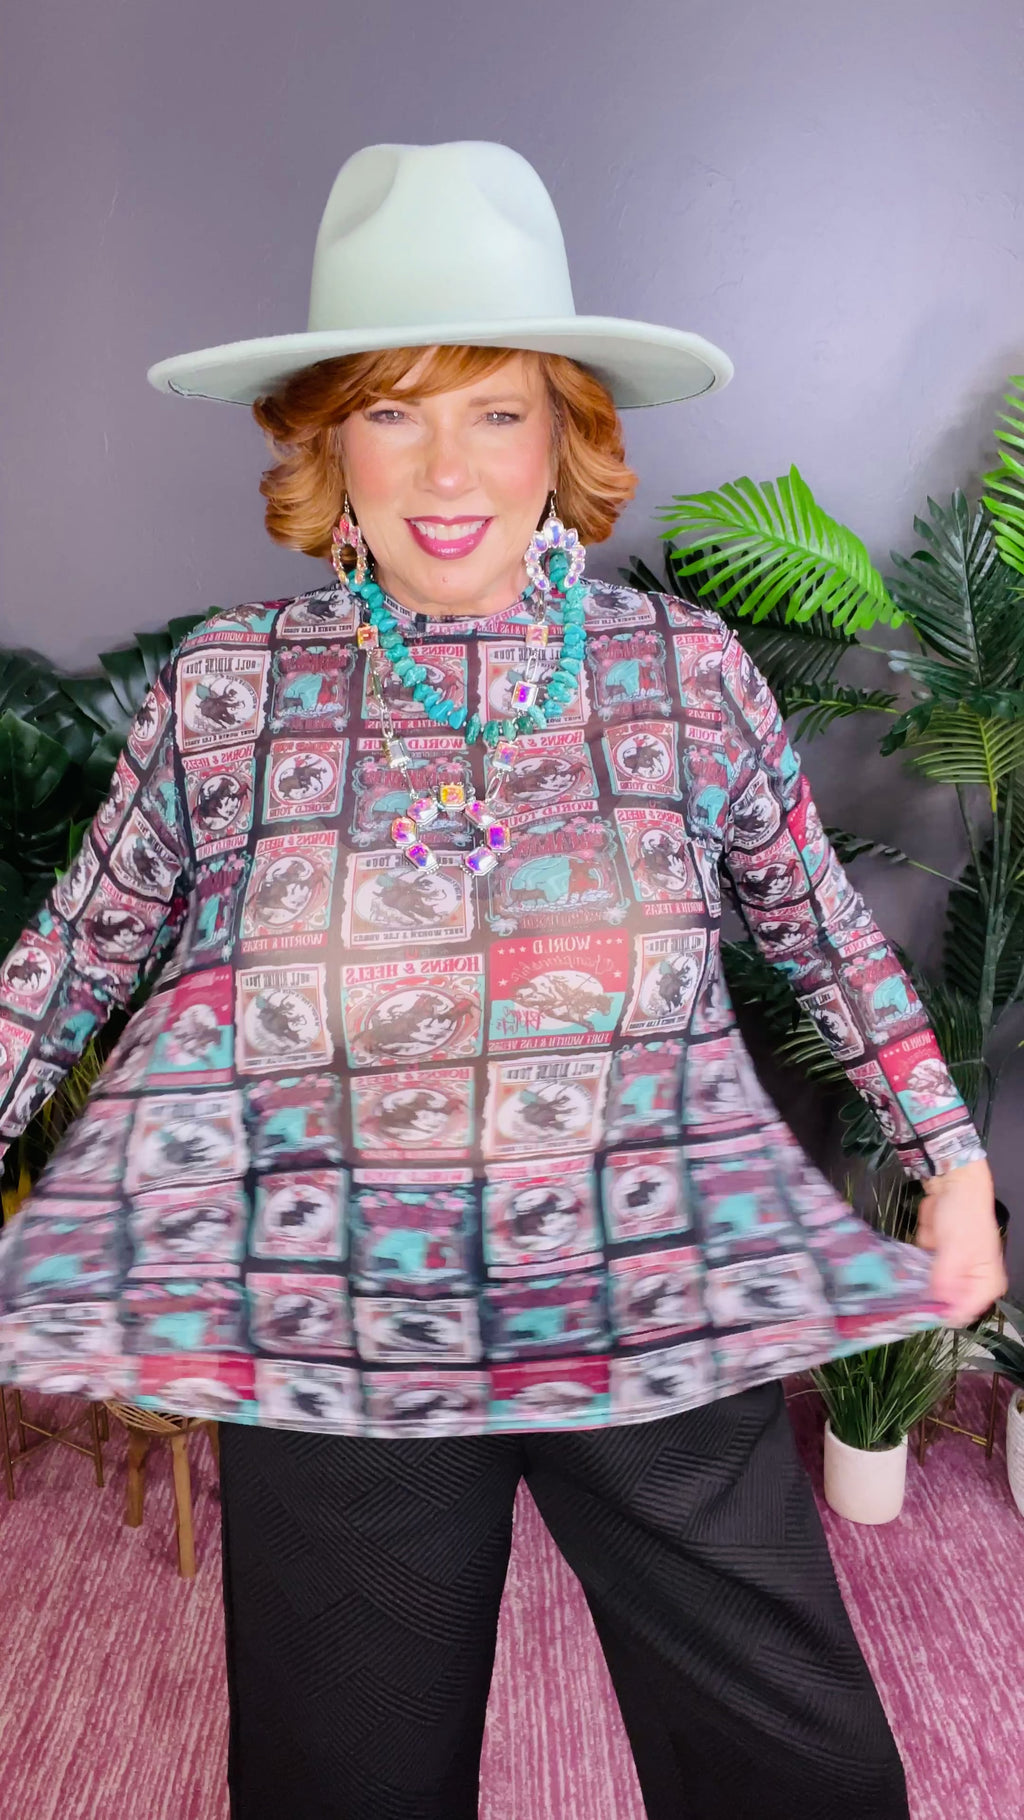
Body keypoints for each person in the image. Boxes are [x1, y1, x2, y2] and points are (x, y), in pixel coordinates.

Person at [0, 141, 1006, 1820]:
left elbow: (821, 928)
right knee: (346, 1784)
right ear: (330, 439)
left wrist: (950, 1162)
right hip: (344, 1341)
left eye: (497, 408)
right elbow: (69, 958)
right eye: (394, 409)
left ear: (565, 436)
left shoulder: (686, 676)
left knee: (800, 1775)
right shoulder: (227, 692)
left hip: (651, 1303)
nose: (447, 464)